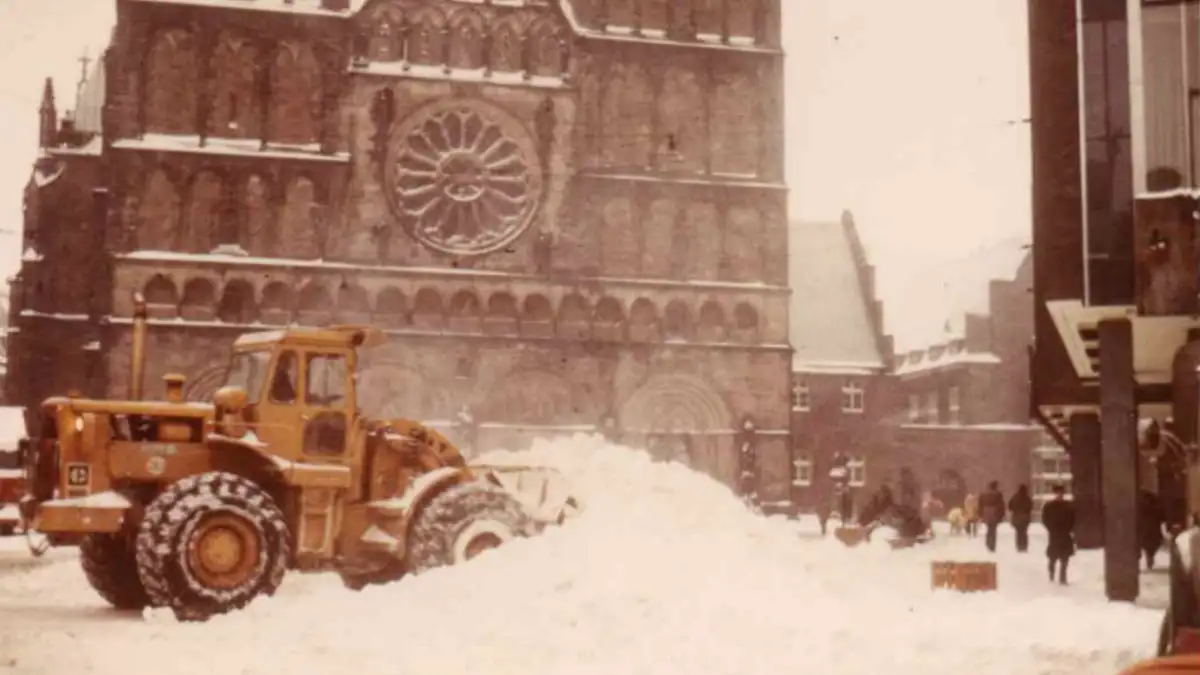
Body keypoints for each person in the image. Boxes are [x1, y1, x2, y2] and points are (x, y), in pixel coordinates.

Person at [1041, 483, 1076, 585]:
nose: (1059, 495)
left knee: (1065, 557)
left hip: (1064, 533)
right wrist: (1050, 528)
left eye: (1061, 493)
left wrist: (1070, 528)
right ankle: (1052, 573)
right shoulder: (1049, 506)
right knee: (1053, 556)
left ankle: (1063, 577)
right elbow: (1045, 519)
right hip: (1055, 533)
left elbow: (1073, 519)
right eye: (1058, 493)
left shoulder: (1068, 506)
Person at [1140, 489, 1166, 570]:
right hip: (1149, 530)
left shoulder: (1153, 509)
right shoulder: (1145, 509)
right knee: (1149, 547)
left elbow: (1161, 519)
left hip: (1151, 530)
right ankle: (1150, 560)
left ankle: (1150, 560)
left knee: (1150, 547)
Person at [978, 481, 1006, 553]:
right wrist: (1001, 515)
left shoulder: (983, 495)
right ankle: (992, 545)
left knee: (989, 528)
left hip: (986, 513)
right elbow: (1001, 506)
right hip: (994, 513)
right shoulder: (998, 495)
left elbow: (980, 505)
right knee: (993, 530)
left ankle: (988, 542)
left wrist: (981, 514)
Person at [1008, 484, 1034, 553]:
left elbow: (1010, 506)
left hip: (1016, 517)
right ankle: (1024, 546)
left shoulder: (1015, 497)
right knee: (1024, 532)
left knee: (1018, 532)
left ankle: (1019, 545)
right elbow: (1030, 507)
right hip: (1025, 518)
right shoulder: (1027, 498)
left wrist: (1015, 510)